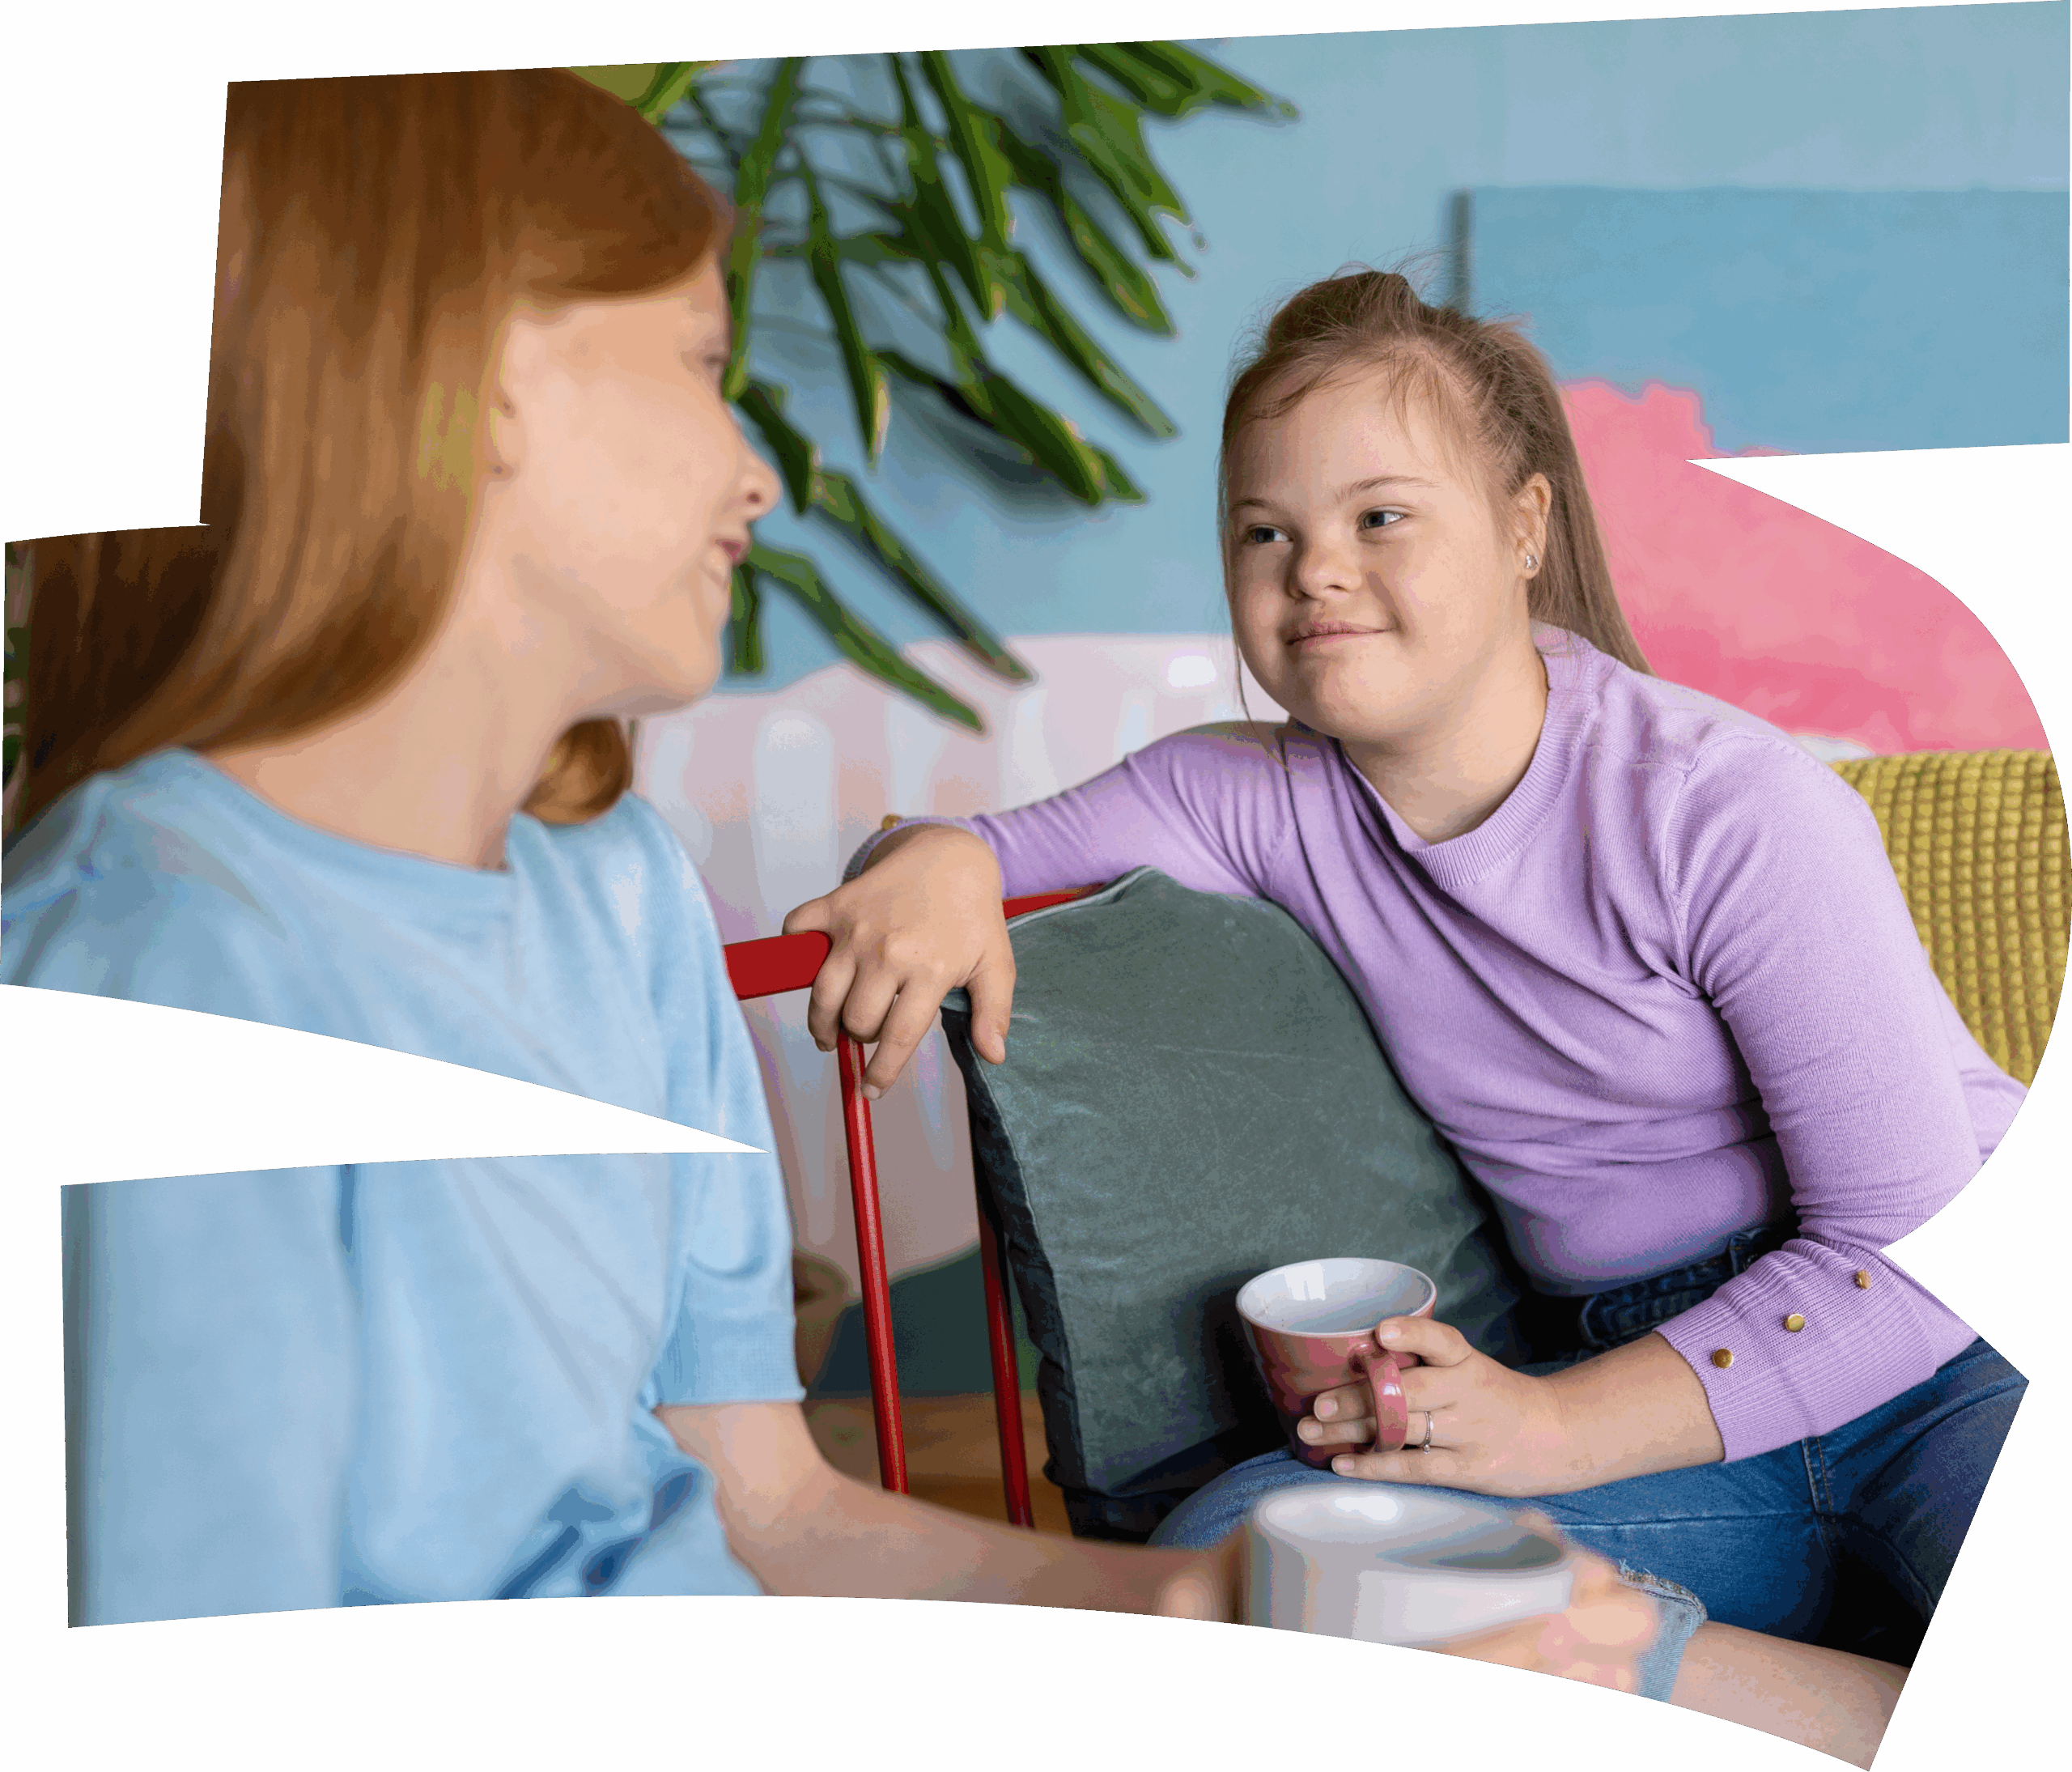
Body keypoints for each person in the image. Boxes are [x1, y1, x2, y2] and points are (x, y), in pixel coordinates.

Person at [2, 69, 1659, 1704]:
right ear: (476, 379)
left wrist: (1221, 1604)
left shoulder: (609, 880)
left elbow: (771, 1515)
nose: (759, 476)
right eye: (698, 366)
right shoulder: (150, 966)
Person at [787, 267, 2031, 1766]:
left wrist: (1555, 1435)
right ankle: (1839, 1706)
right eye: (1265, 532)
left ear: (1522, 529)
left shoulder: (1728, 808)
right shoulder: (1254, 796)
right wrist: (935, 860)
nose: (1314, 571)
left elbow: (1911, 1261)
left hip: (1954, 1356)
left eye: (1381, 516)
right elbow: (991, 848)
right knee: (1253, 1560)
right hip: (1633, 1375)